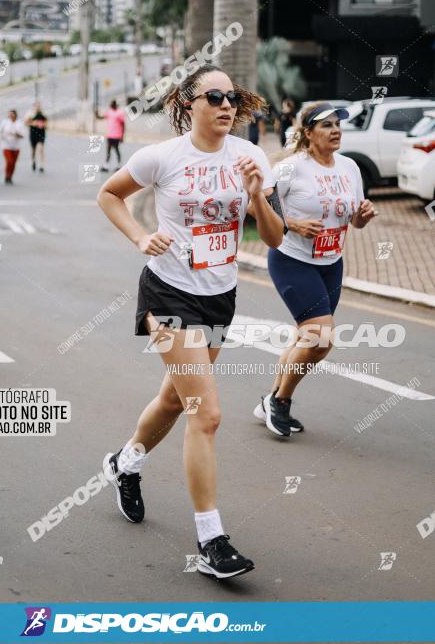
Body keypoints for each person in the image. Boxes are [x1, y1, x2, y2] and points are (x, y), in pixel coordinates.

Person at [97, 65, 284, 579]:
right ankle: (210, 540)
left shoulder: (250, 157)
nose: (226, 105)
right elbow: (109, 195)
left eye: (233, 97)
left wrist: (254, 198)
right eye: (215, 96)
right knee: (206, 413)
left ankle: (124, 464)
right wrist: (139, 237)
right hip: (166, 292)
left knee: (175, 399)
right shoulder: (162, 157)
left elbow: (271, 238)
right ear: (190, 103)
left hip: (219, 296)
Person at [254, 102, 377, 438]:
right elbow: (259, 207)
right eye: (326, 125)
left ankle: (271, 400)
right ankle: (280, 400)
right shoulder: (291, 169)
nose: (335, 130)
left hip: (331, 263)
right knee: (321, 339)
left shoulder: (350, 167)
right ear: (308, 133)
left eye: (338, 124)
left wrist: (362, 217)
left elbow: (353, 218)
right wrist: (291, 223)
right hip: (292, 261)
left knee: (305, 337)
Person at [99, 99, 126, 172]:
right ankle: (106, 166)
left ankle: (119, 165)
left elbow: (123, 125)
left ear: (114, 105)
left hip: (117, 135)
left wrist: (122, 136)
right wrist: (96, 114)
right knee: (108, 150)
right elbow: (101, 117)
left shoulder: (120, 113)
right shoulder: (109, 112)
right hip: (110, 135)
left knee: (116, 150)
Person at [0, 108, 24, 184]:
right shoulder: (5, 122)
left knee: (13, 163)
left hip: (16, 146)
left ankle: (10, 176)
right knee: (9, 161)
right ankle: (7, 175)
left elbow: (23, 135)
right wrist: (3, 136)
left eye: (12, 114)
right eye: (10, 114)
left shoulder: (19, 123)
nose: (11, 116)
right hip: (6, 145)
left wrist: (17, 134)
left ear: (15, 115)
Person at [23, 101, 47, 173]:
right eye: (37, 106)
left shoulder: (43, 113)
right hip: (33, 132)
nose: (38, 107)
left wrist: (43, 125)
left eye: (39, 106)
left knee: (41, 148)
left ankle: (41, 165)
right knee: (33, 149)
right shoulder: (30, 113)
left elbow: (46, 122)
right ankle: (33, 161)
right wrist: (34, 123)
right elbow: (26, 122)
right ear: (34, 106)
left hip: (41, 132)